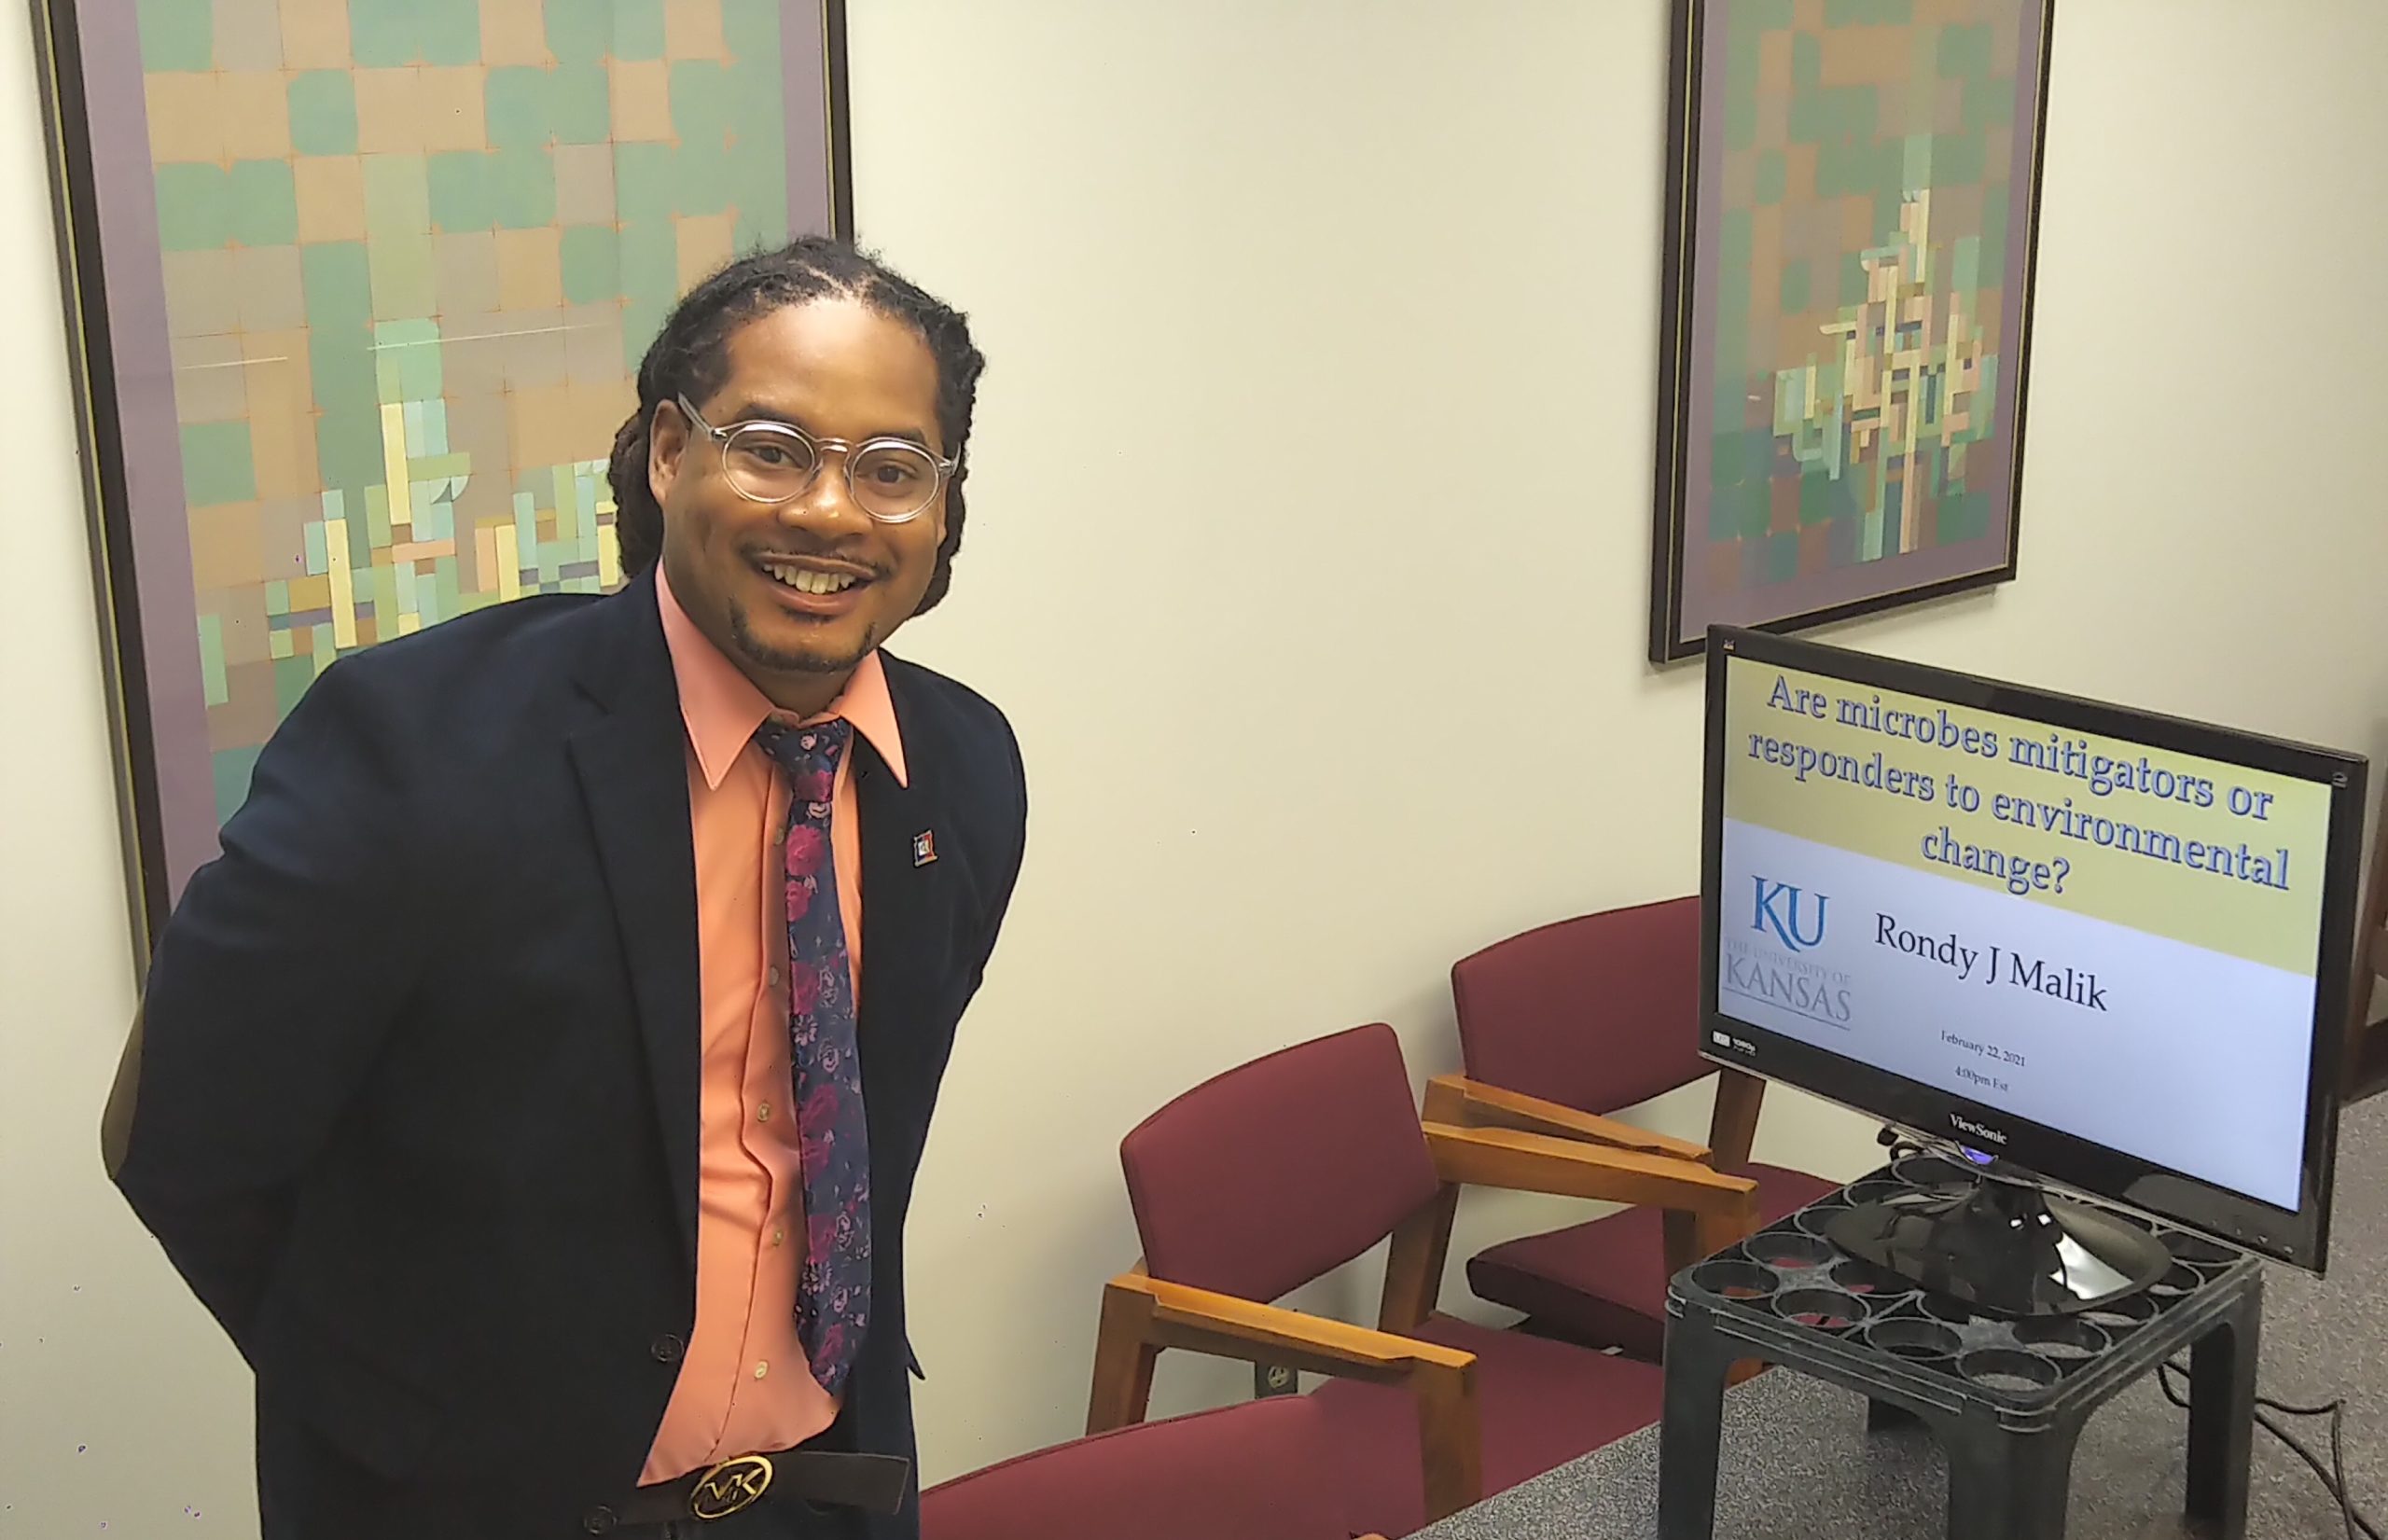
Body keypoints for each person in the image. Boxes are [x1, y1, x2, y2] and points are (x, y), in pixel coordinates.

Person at [103, 236, 1028, 1540]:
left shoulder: (962, 770)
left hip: (825, 1491)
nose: (828, 512)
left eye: (891, 471)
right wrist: (410, 1433)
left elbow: (854, 1128)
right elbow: (181, 1141)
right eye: (770, 448)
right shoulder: (416, 748)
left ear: (942, 510)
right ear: (667, 454)